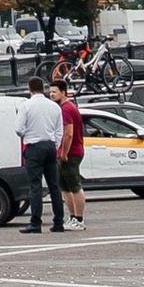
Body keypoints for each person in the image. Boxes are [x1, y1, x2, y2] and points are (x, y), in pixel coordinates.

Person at [18, 75, 66, 234]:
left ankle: (35, 223)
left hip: (34, 146)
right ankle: (58, 222)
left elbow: (18, 129)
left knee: (35, 186)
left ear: (29, 89)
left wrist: (27, 134)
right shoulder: (54, 107)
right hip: (50, 146)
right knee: (54, 186)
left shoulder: (26, 106)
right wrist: (55, 145)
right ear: (44, 89)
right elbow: (59, 130)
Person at [55, 78, 87, 226]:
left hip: (71, 153)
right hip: (70, 152)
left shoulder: (66, 109)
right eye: (50, 92)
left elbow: (68, 133)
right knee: (65, 187)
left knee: (74, 186)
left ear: (63, 92)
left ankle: (79, 219)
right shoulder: (67, 107)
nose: (51, 95)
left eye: (54, 92)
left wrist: (64, 153)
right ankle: (73, 217)